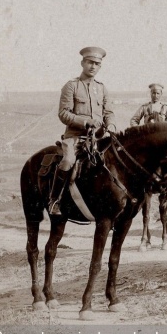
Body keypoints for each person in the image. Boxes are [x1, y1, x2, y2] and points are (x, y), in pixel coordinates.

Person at [49, 46, 116, 215]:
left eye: (97, 64)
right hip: (75, 137)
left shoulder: (102, 88)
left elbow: (108, 112)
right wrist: (86, 122)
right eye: (90, 62)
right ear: (82, 63)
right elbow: (63, 113)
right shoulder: (71, 86)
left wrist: (112, 126)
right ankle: (55, 200)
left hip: (98, 138)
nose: (93, 66)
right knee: (68, 161)